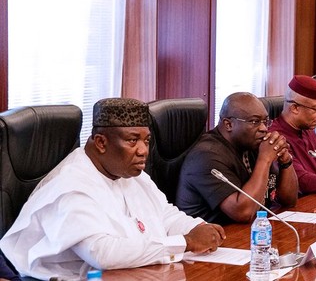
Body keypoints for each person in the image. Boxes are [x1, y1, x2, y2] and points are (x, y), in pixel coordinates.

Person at [0, 98, 225, 280]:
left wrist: (199, 228)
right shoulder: (70, 186)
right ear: (101, 142)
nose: (142, 150)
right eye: (132, 140)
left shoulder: (128, 172)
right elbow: (102, 254)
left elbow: (164, 214)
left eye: (146, 141)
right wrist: (186, 241)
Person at [177, 92, 298, 225]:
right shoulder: (206, 156)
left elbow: (289, 201)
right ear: (228, 124)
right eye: (255, 121)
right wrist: (265, 160)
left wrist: (285, 162)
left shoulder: (252, 144)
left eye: (265, 121)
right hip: (215, 239)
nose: (263, 128)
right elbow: (243, 213)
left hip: (250, 232)